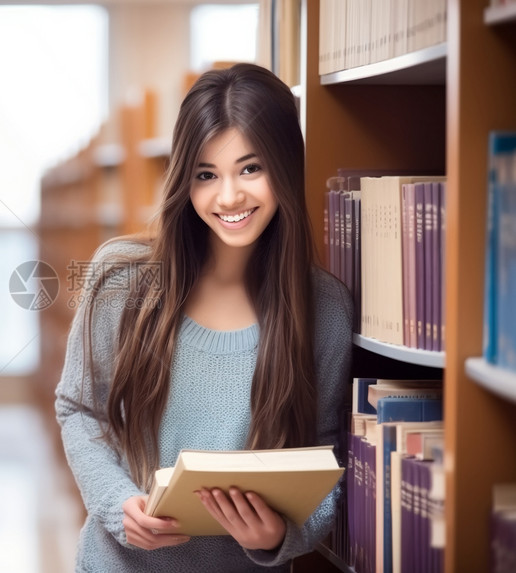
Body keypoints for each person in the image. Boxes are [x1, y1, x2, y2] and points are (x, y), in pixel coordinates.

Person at [54, 63, 353, 572]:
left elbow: (328, 456)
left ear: (285, 167)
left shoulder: (323, 306)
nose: (229, 196)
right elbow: (79, 410)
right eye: (206, 175)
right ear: (183, 180)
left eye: (250, 169)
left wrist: (282, 535)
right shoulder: (119, 280)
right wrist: (117, 503)